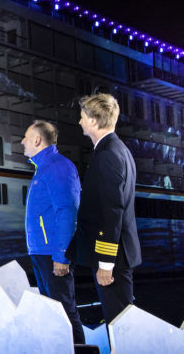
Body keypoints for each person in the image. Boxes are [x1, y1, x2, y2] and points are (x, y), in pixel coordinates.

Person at [67, 93, 142, 325]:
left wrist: (105, 264)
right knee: (121, 322)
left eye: (82, 117)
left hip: (113, 260)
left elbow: (111, 212)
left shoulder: (107, 154)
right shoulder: (118, 149)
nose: (79, 121)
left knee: (120, 324)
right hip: (118, 256)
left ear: (93, 121)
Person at [21, 120, 85, 344]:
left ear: (37, 140)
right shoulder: (45, 167)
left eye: (26, 137)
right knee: (53, 314)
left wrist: (61, 255)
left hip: (52, 254)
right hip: (42, 251)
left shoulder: (58, 166)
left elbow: (68, 211)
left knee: (65, 314)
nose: (22, 141)